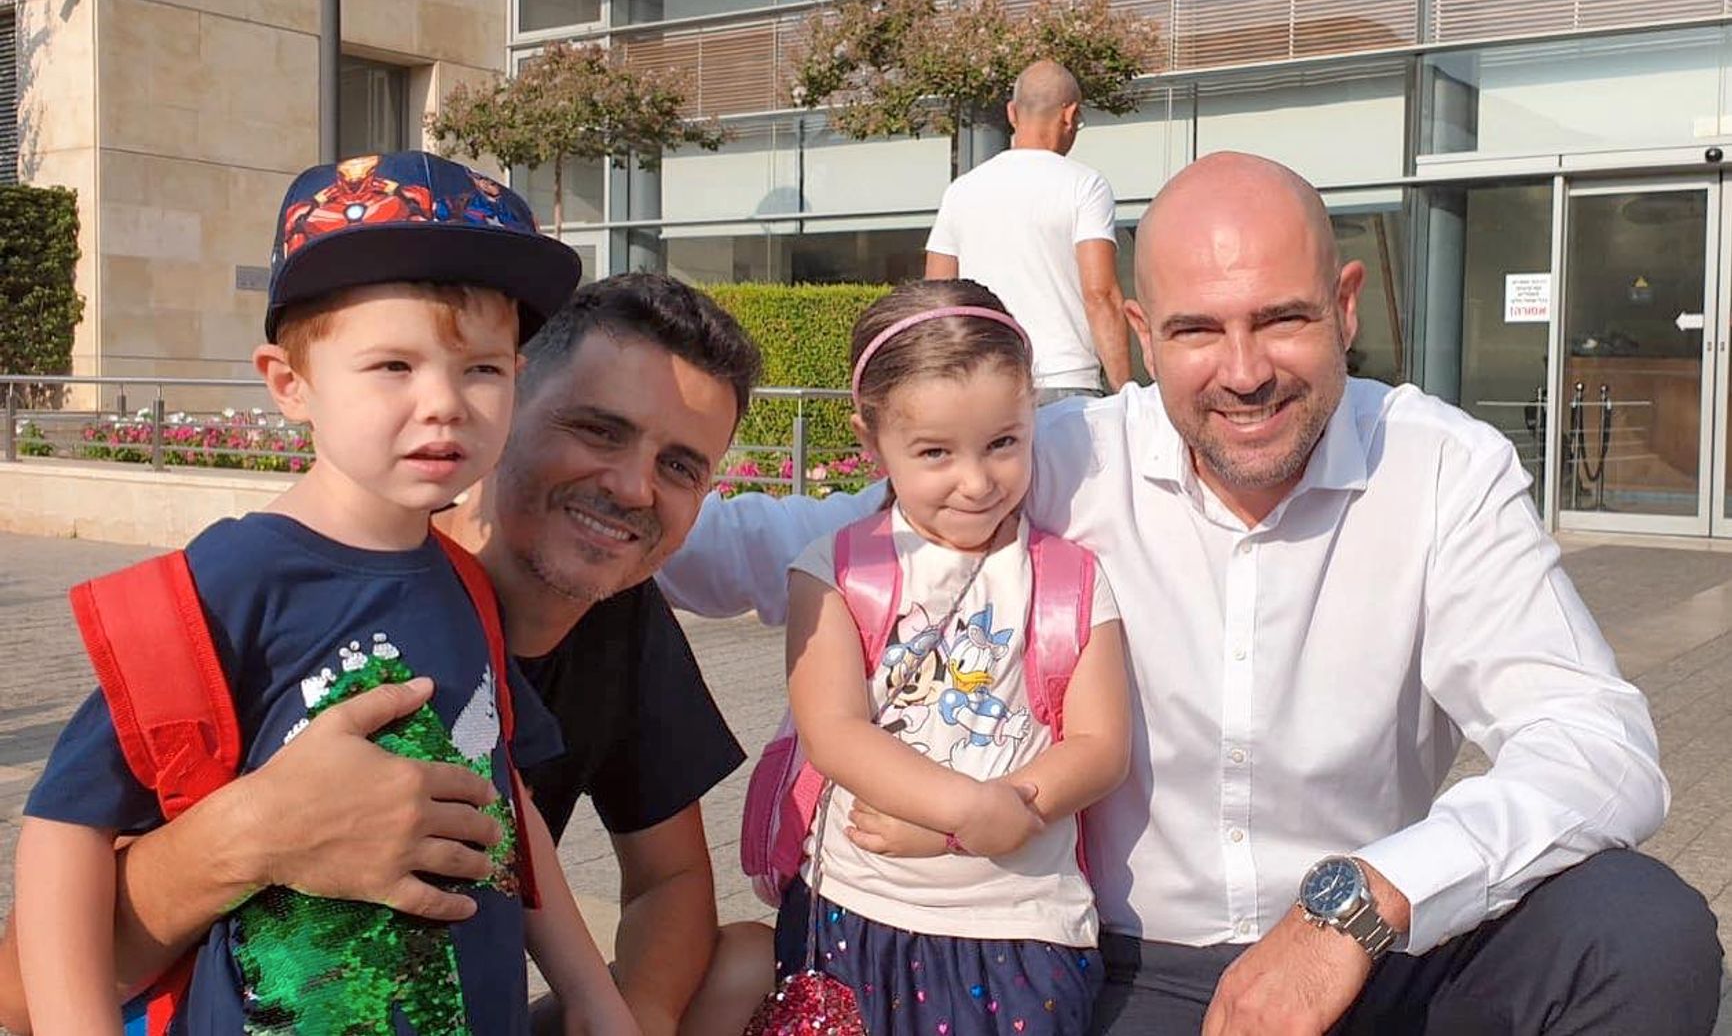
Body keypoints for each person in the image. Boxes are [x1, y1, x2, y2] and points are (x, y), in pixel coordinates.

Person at [659, 151, 1726, 1033]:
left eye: (1283, 318)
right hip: (1131, 966)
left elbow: (1595, 743)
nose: (1244, 370)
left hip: (1373, 951)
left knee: (1637, 927)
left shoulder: (1441, 469)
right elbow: (807, 545)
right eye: (1198, 330)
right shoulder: (1059, 457)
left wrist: (1372, 897)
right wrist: (602, 520)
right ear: (1139, 329)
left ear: (1346, 304)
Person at [0, 273, 773, 1036]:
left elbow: (661, 873)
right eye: (599, 429)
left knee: (747, 962)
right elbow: (19, 985)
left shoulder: (610, 616)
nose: (634, 487)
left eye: (680, 464)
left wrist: (623, 1012)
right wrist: (257, 831)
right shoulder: (255, 586)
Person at [772, 280, 1131, 1034]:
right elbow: (833, 732)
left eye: (1003, 443)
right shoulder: (834, 570)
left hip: (1023, 925)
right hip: (853, 912)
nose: (977, 481)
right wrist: (970, 812)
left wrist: (965, 827)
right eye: (935, 452)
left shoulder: (1071, 579)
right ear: (870, 439)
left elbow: (1101, 746)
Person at [925, 59, 1133, 404]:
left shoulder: (960, 191)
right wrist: (1125, 394)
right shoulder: (1085, 185)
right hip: (1066, 379)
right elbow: (1101, 295)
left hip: (987, 384)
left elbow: (937, 297)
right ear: (1070, 115)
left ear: (1012, 113)